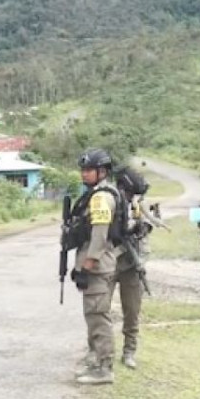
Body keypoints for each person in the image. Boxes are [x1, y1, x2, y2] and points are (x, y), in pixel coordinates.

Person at [69, 148, 123, 385]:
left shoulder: (101, 198)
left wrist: (87, 266)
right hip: (98, 265)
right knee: (93, 315)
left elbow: (100, 236)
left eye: (88, 170)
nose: (84, 174)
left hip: (97, 267)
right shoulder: (98, 194)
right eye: (83, 169)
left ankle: (104, 368)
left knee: (98, 317)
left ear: (101, 172)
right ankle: (96, 361)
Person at [113, 168, 170, 369]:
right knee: (100, 310)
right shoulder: (108, 201)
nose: (130, 197)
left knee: (132, 311)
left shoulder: (137, 204)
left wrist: (141, 228)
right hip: (109, 262)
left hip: (131, 262)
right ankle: (99, 351)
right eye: (129, 193)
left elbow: (147, 225)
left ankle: (129, 351)